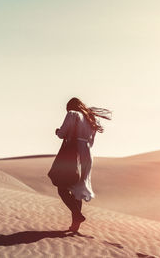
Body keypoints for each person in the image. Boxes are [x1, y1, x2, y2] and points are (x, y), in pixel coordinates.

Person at [55, 97, 111, 232]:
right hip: (88, 154)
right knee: (77, 189)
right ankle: (75, 227)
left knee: (62, 188)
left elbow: (62, 133)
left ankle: (77, 214)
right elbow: (91, 141)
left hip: (73, 153)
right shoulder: (91, 118)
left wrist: (57, 131)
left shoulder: (73, 114)